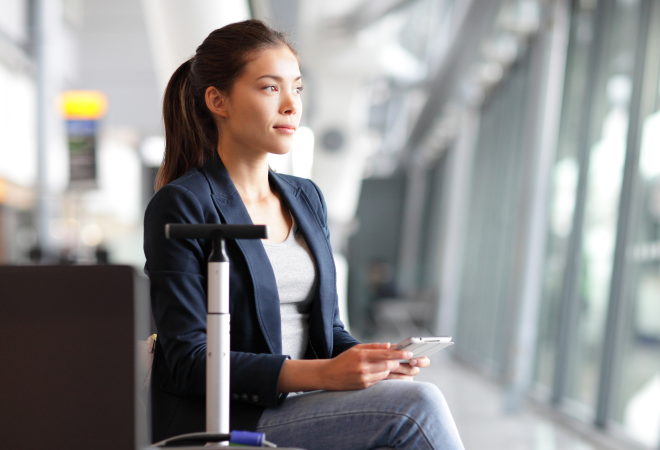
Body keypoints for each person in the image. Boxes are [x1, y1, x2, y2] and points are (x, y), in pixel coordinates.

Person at [143, 19, 464, 450]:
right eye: (270, 88)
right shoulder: (183, 204)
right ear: (218, 100)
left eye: (297, 87)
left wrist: (372, 361)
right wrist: (324, 374)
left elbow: (328, 330)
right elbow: (189, 361)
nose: (292, 105)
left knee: (407, 402)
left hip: (303, 403)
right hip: (228, 418)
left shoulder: (305, 198)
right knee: (416, 408)